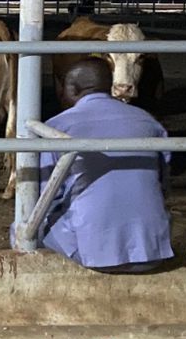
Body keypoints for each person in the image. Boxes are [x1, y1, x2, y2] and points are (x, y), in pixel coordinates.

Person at [23, 57, 173, 273]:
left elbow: (44, 197)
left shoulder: (56, 128)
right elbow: (164, 183)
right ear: (109, 86)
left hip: (95, 255)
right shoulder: (149, 122)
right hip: (154, 251)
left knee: (25, 225)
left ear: (70, 89)